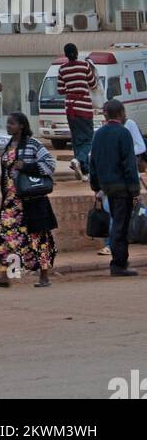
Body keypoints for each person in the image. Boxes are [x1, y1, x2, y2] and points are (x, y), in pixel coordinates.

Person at [0, 111, 57, 290]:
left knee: (39, 238)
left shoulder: (33, 144)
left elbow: (50, 164)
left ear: (21, 126)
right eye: (8, 123)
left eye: (11, 123)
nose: (8, 126)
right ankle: (7, 276)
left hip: (31, 201)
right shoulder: (10, 145)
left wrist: (27, 166)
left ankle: (44, 277)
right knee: (6, 237)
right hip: (11, 202)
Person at [89, 98, 141, 276]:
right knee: (121, 224)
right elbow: (129, 165)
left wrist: (96, 186)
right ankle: (119, 263)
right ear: (121, 113)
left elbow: (93, 162)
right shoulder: (124, 133)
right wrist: (135, 190)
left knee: (117, 222)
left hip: (106, 187)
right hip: (122, 188)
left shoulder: (99, 134)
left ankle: (119, 261)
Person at [57, 42, 97, 180]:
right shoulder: (84, 66)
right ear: (77, 52)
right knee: (89, 139)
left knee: (76, 139)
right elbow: (93, 84)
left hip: (70, 107)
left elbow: (61, 90)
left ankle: (84, 171)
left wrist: (70, 87)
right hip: (83, 107)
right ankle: (79, 160)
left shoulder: (62, 69)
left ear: (66, 54)